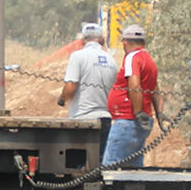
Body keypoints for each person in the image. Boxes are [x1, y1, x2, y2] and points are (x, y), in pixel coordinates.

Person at [101, 22, 159, 169]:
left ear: (125, 43)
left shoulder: (132, 57)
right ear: (143, 42)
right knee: (132, 168)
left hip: (127, 121)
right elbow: (155, 89)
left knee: (110, 169)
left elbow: (134, 84)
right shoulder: (149, 60)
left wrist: (137, 111)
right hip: (139, 121)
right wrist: (159, 112)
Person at [56, 22, 117, 159]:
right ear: (101, 39)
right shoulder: (112, 61)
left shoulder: (78, 57)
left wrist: (62, 99)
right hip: (105, 120)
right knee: (98, 163)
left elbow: (71, 86)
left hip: (82, 119)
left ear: (83, 40)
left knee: (78, 165)